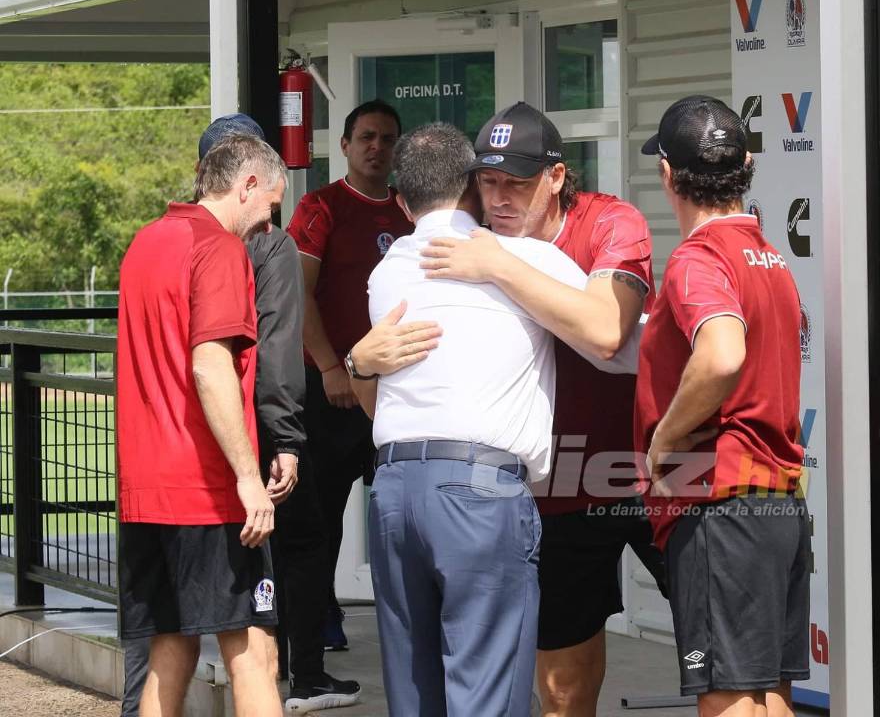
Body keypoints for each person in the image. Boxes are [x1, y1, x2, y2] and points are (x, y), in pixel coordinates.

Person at [359, 102, 665, 715]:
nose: (500, 198)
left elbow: (608, 329)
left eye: (517, 183)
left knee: (721, 665)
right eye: (488, 182)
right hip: (554, 492)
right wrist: (358, 362)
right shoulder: (463, 251)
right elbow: (394, 378)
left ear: (555, 177)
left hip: (649, 472)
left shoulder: (607, 222)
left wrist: (498, 264)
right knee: (559, 689)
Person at [633, 96, 809, 717]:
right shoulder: (771, 258)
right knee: (769, 693)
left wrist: (665, 439)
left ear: (666, 175)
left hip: (721, 503)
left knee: (729, 698)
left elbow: (722, 353)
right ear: (748, 166)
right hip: (778, 501)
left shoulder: (698, 259)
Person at [116, 134, 289, 717]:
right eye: (269, 205)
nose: (269, 225)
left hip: (146, 489)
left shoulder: (147, 240)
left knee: (169, 648)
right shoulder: (217, 248)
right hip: (207, 491)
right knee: (255, 652)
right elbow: (210, 363)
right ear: (245, 186)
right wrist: (246, 478)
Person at [285, 99, 412, 652]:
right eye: (366, 137)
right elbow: (296, 294)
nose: (376, 147)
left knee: (404, 508)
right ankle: (316, 622)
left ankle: (408, 624)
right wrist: (332, 368)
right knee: (324, 517)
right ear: (344, 145)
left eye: (387, 139)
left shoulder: (412, 211)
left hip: (400, 391)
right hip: (334, 389)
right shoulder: (321, 207)